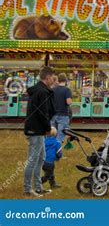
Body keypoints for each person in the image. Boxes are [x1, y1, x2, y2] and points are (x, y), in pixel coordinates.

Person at [23, 66, 56, 198]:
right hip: (35, 130)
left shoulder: (41, 90)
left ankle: (38, 187)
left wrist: (45, 128)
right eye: (53, 77)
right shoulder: (41, 92)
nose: (54, 79)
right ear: (47, 78)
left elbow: (43, 113)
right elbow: (43, 113)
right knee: (32, 160)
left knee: (41, 157)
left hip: (38, 129)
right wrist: (48, 128)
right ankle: (27, 189)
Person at [51, 73, 73, 144]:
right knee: (60, 137)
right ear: (65, 80)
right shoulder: (67, 90)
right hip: (63, 115)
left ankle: (51, 153)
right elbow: (69, 102)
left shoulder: (52, 90)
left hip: (53, 115)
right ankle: (57, 153)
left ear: (58, 80)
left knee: (52, 135)